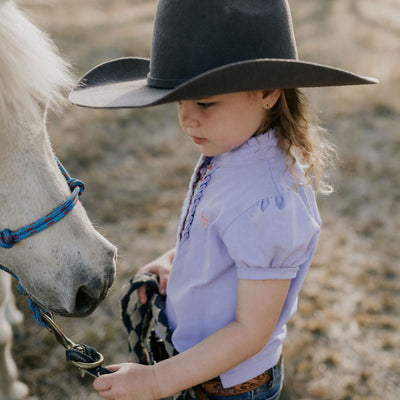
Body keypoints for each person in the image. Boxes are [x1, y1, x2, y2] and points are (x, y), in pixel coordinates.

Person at [69, 1, 378, 399]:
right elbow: (220, 239)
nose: (187, 119)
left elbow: (252, 331)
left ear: (267, 91)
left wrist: (156, 380)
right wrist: (176, 262)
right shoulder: (229, 151)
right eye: (178, 101)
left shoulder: (268, 201)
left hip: (230, 388)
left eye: (204, 103)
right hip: (196, 366)